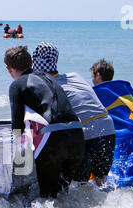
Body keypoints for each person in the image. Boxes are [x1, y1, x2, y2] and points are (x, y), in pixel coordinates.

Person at [4, 46, 85, 198]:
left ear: (8, 68)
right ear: (32, 63)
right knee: (64, 195)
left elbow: (17, 127)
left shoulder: (17, 85)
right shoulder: (51, 78)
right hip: (77, 137)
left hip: (54, 141)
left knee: (48, 199)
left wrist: (18, 161)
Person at [32, 42, 115, 187]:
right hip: (108, 128)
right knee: (101, 182)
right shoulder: (75, 76)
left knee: (79, 186)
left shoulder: (47, 87)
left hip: (87, 134)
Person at [90, 59, 133, 187]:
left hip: (123, 138)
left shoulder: (97, 92)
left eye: (92, 76)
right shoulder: (124, 91)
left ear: (98, 75)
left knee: (117, 184)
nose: (92, 80)